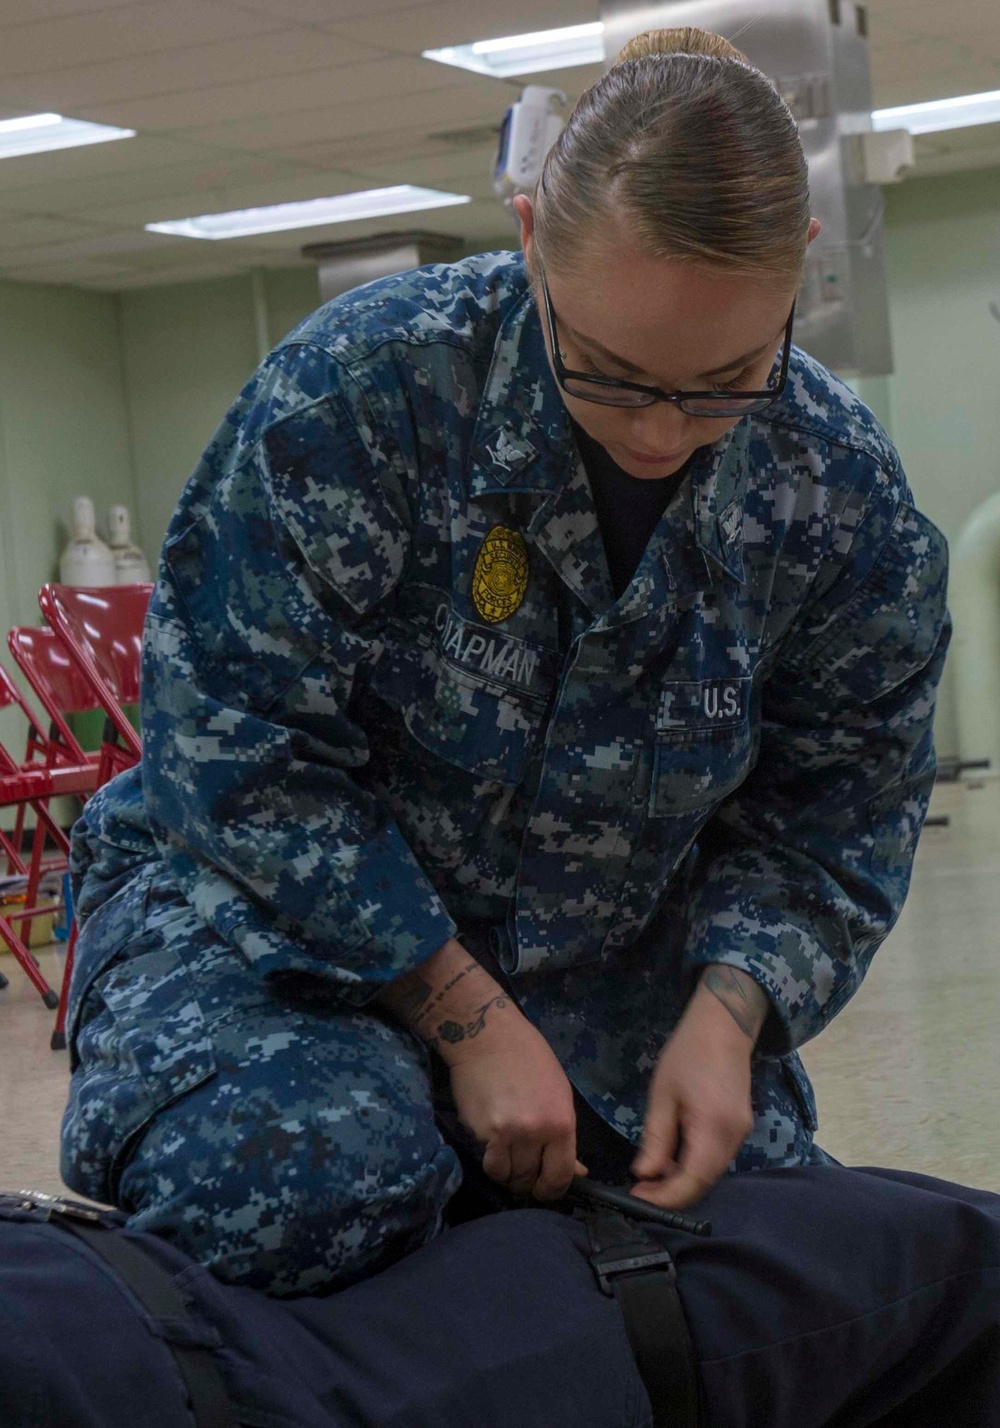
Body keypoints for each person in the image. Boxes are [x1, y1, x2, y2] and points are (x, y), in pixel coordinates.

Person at [62, 26, 949, 1301]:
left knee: (747, 1246)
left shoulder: (839, 494)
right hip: (267, 924)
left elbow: (837, 808)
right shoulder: (358, 398)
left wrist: (730, 1012)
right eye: (612, 374)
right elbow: (240, 751)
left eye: (723, 383)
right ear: (530, 233)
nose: (659, 431)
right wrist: (462, 1016)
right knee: (300, 1186)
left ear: (797, 269)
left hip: (603, 954)